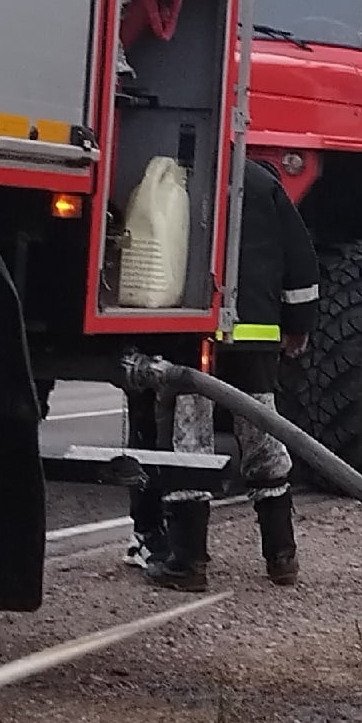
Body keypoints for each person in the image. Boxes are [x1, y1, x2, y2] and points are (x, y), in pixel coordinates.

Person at [134, 158, 320, 592]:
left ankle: (187, 562)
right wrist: (297, 325)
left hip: (191, 336)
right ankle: (281, 557)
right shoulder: (261, 182)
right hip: (254, 340)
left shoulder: (168, 176)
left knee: (188, 442)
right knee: (263, 439)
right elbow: (300, 261)